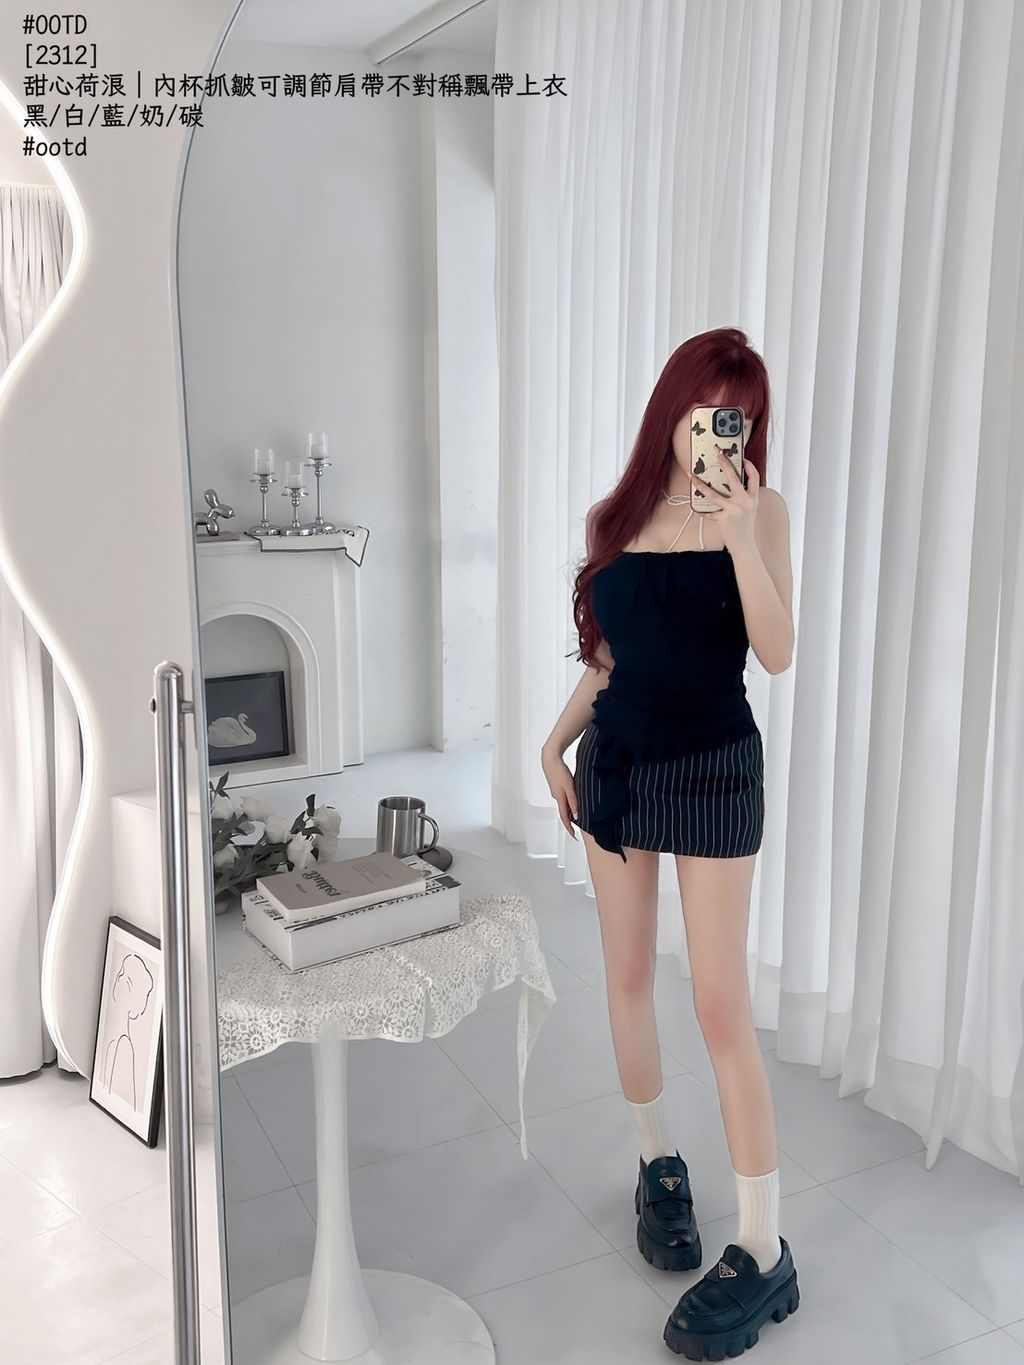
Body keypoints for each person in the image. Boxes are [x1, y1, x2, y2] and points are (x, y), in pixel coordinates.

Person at [541, 328, 798, 1359]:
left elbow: (776, 652)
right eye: (705, 411)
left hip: (715, 768)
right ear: (673, 409)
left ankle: (765, 1246)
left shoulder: (761, 512)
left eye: (738, 418)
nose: (719, 434)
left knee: (720, 1004)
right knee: (628, 975)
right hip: (618, 764)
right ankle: (658, 1167)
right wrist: (552, 744)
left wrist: (738, 535)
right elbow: (610, 656)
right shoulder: (619, 514)